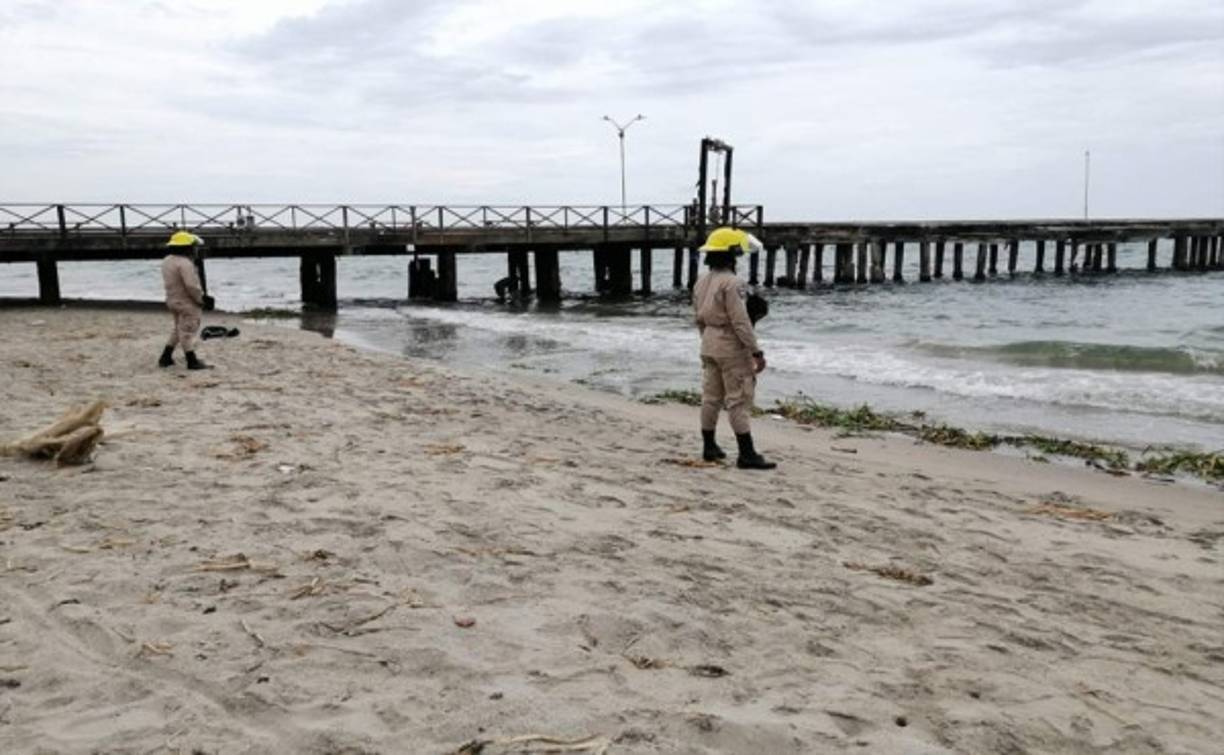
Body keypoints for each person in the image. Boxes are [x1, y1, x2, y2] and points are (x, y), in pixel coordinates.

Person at [692, 227, 775, 470]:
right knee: (739, 398)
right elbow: (741, 321)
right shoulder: (733, 283)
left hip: (708, 340)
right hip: (730, 344)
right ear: (730, 256)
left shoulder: (701, 282)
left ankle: (709, 446)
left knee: (711, 397)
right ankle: (746, 453)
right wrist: (755, 351)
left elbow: (698, 317)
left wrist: (706, 340)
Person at [158, 231, 213, 370]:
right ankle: (192, 361)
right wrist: (200, 300)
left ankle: (165, 357)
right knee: (188, 331)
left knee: (178, 329)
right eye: (193, 247)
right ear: (187, 248)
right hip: (186, 302)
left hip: (172, 300)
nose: (195, 249)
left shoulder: (167, 261)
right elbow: (191, 286)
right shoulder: (185, 264)